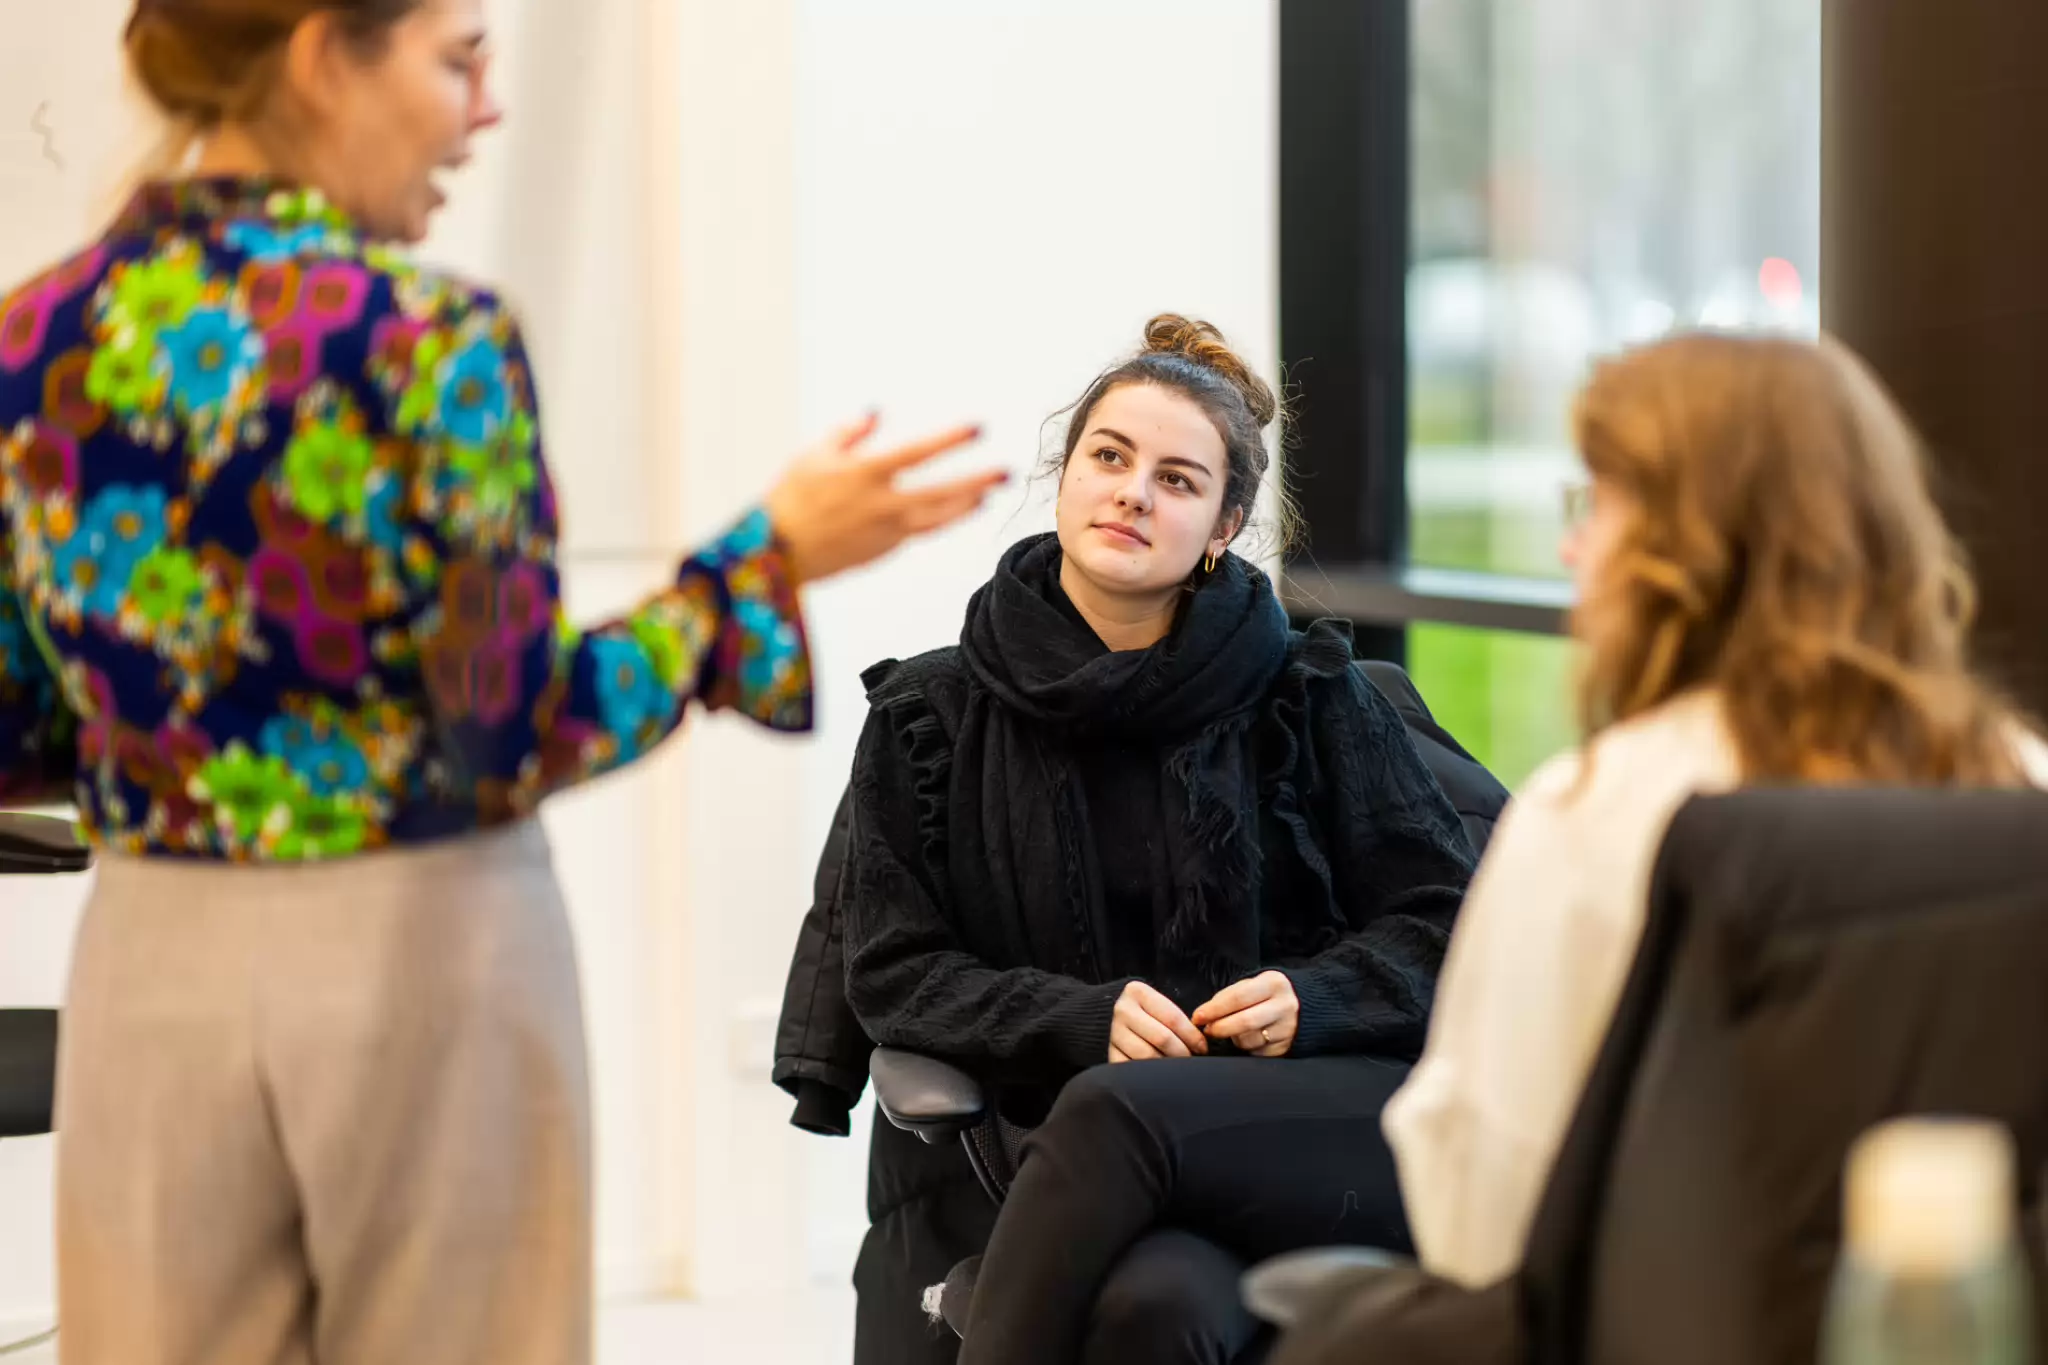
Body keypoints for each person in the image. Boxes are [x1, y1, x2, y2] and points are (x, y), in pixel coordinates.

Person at [0, 2, 1005, 1362]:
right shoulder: (428, 336)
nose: (487, 111)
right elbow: (516, 726)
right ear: (319, 55)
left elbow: (18, 722)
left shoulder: (37, 333)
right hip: (419, 948)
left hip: (150, 957)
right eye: (458, 58)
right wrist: (757, 563)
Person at [837, 314, 1478, 1365]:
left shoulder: (1308, 697)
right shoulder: (931, 714)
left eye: (1177, 480)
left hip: (1277, 1132)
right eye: (1109, 457)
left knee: (1140, 1230)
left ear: (1222, 526)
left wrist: (1313, 998)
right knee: (1158, 1312)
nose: (1133, 491)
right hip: (1056, 1149)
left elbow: (1447, 923)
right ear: (1064, 478)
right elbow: (891, 973)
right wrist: (1079, 1018)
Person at [1383, 331, 2048, 1293]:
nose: (1573, 545)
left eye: (1598, 504)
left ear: (1679, 549)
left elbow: (1483, 1219)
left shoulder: (1598, 810)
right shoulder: (2024, 781)